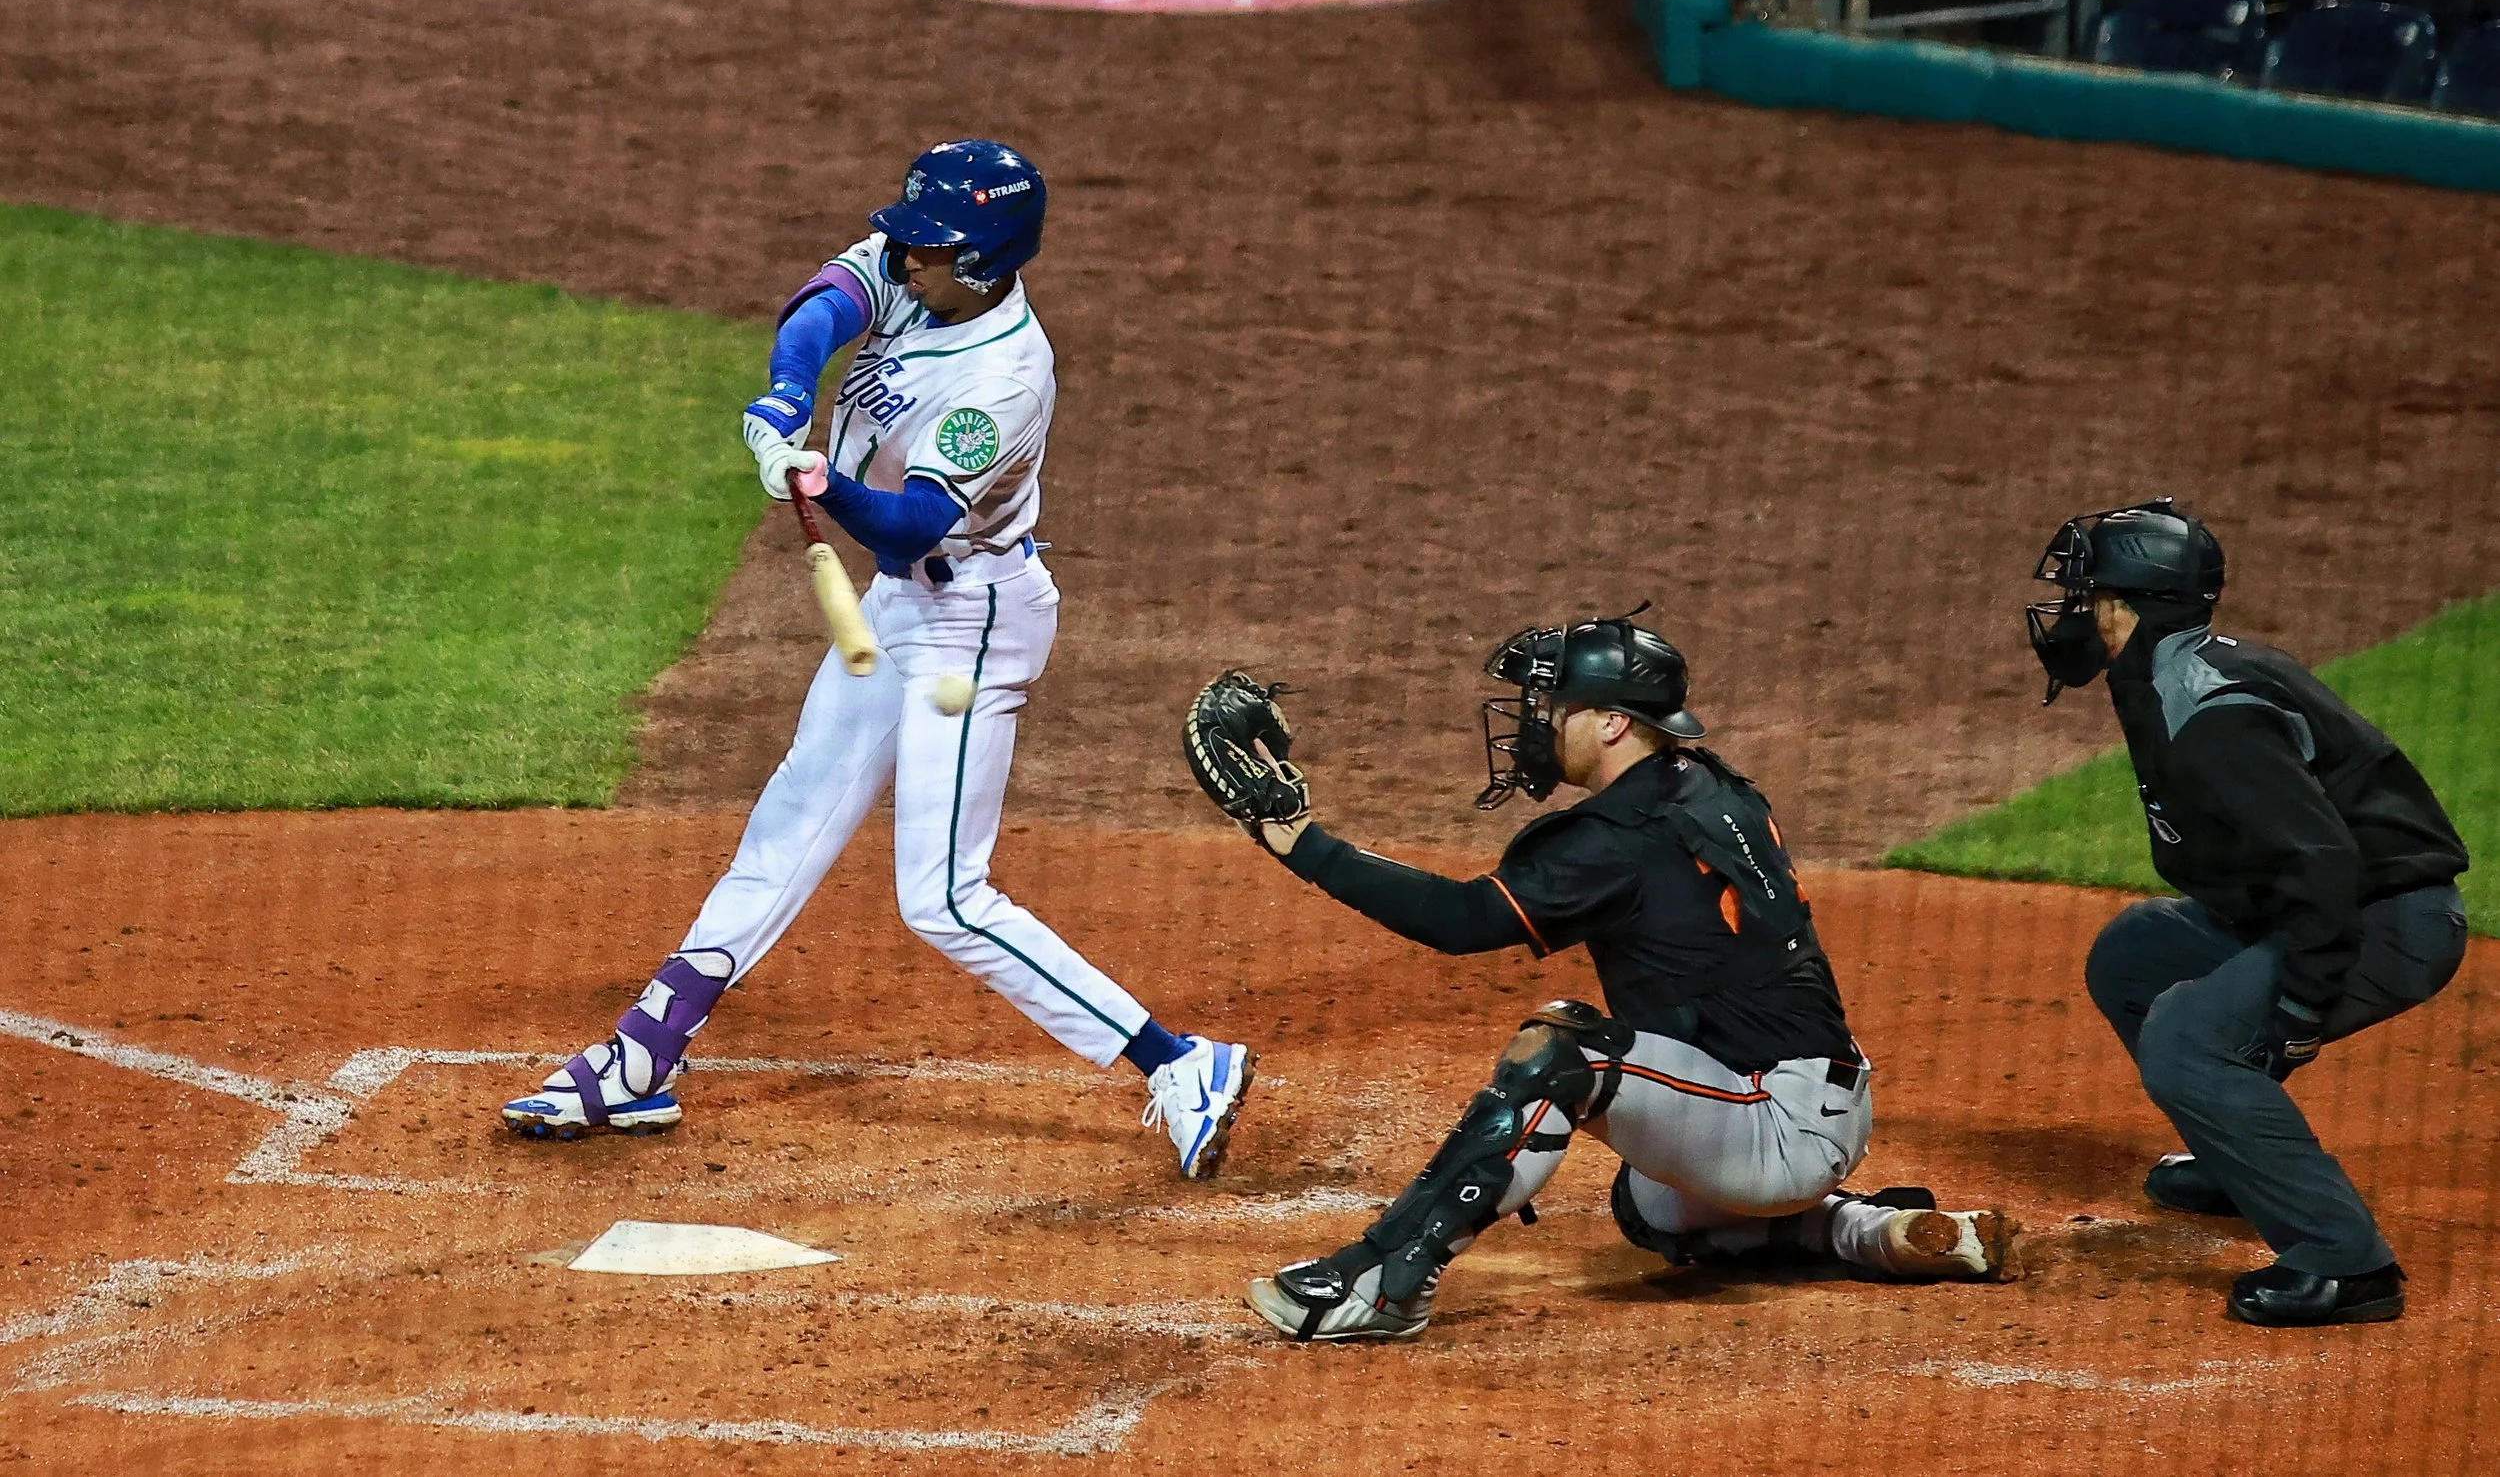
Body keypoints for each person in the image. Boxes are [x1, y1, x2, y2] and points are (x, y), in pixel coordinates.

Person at [501, 140, 1254, 1180]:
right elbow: (823, 304)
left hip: (971, 619)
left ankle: (1181, 1063)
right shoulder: (922, 274)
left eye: (927, 247)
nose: (903, 258)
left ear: (983, 261)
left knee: (944, 896)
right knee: (793, 813)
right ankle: (644, 1056)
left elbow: (907, 525)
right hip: (902, 605)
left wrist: (821, 481)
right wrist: (785, 393)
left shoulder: (1003, 378)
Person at [1199, 616, 2017, 1343]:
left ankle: (1382, 1286)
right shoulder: (1712, 786)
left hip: (1773, 1121)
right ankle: (1860, 1231)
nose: (1534, 723)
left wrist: (1298, 840)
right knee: (1649, 1202)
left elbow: (1460, 920)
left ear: (1614, 722)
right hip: (1808, 1100)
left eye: (1554, 707)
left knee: (1563, 1054)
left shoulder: (1618, 838)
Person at [2028, 499, 2472, 1325]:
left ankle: (2346, 1264)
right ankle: (2242, 1162)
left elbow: (2325, 864)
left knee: (2186, 1039)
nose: (2073, 613)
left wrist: (2301, 1003)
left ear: (2134, 607)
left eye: (2089, 596)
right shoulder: (2161, 674)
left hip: (2383, 922)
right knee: (2135, 954)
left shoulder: (2211, 714)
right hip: (2320, 906)